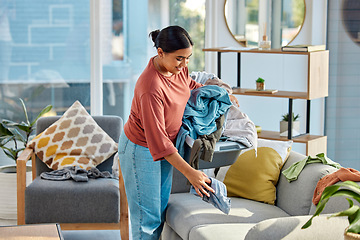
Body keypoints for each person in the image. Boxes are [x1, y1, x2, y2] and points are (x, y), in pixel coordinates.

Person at [118, 25, 239, 239]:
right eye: (179, 58)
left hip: (165, 147)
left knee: (160, 214)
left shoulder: (177, 68)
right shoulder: (151, 88)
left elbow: (188, 85)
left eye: (188, 58)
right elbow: (159, 142)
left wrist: (218, 95)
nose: (184, 64)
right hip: (141, 150)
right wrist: (191, 174)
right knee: (147, 222)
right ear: (160, 52)